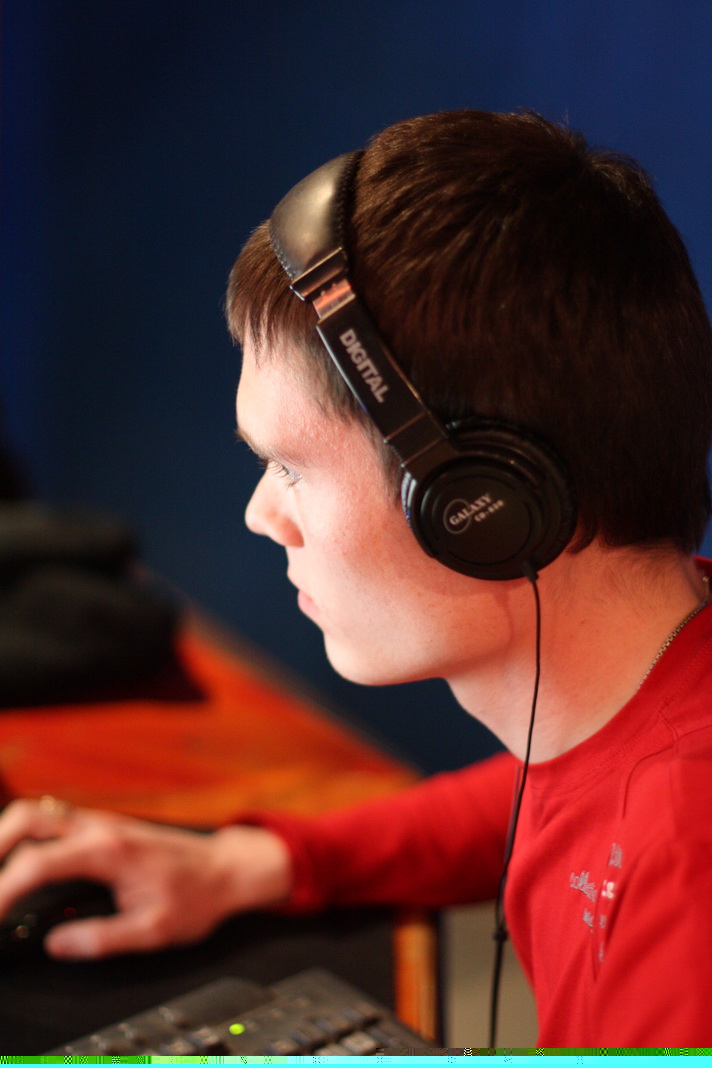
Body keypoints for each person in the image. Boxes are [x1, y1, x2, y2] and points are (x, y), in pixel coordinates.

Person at [0, 109, 711, 1048]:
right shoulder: (649, 684)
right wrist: (252, 864)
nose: (261, 513)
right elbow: (531, 793)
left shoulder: (684, 883)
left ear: (481, 504)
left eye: (290, 467)